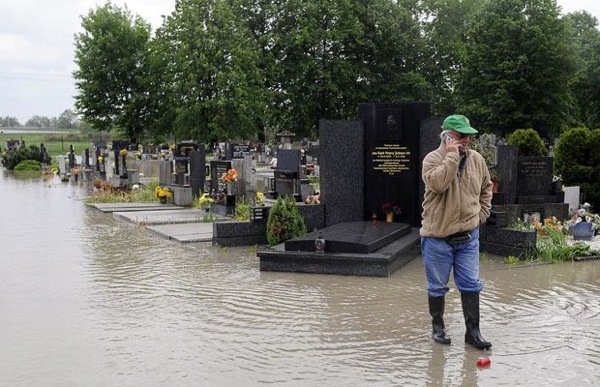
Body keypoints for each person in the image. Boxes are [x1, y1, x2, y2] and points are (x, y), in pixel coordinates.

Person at [420, 114, 493, 350]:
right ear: (448, 136)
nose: (467, 141)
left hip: (468, 237)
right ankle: (438, 328)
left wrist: (480, 216)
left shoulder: (477, 160)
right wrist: (452, 155)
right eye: (462, 136)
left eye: (469, 136)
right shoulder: (432, 159)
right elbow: (438, 184)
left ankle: (473, 333)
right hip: (437, 238)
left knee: (471, 284)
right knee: (437, 286)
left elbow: (486, 189)